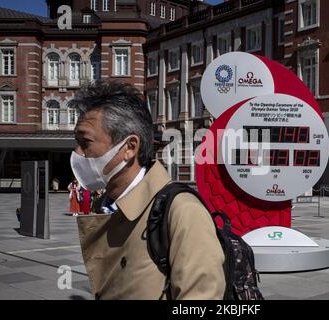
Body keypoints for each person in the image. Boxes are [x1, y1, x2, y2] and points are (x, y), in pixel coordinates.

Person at [69, 80, 225, 300]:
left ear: (129, 148)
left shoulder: (183, 211)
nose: (77, 152)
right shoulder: (104, 203)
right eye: (76, 141)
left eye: (85, 142)